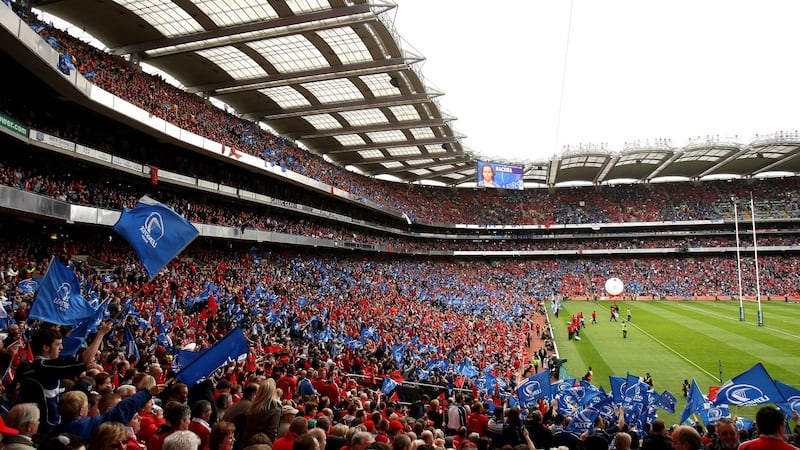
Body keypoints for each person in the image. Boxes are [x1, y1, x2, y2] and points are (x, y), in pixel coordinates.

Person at [242, 378, 282, 445]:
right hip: (262, 444)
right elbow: (272, 433)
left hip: (248, 442)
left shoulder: (252, 405)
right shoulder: (275, 409)